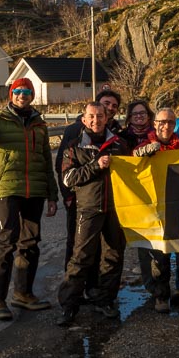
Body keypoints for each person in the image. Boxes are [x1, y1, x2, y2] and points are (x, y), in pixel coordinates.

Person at [0, 78, 59, 321]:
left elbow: (46, 161)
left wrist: (52, 195)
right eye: (17, 91)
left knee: (30, 242)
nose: (22, 95)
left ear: (32, 95)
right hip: (7, 188)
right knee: (7, 241)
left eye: (27, 92)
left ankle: (23, 294)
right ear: (11, 94)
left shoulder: (39, 123)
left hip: (35, 190)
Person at [56, 101, 132, 326]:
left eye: (100, 116)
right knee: (81, 257)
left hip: (116, 209)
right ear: (84, 119)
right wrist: (95, 166)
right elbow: (68, 179)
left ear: (107, 118)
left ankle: (105, 300)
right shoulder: (74, 145)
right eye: (92, 116)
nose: (96, 120)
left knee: (113, 256)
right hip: (88, 209)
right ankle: (70, 305)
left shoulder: (119, 144)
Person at [133, 108, 179, 314]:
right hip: (156, 209)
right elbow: (131, 165)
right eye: (162, 122)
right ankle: (161, 296)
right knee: (158, 255)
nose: (166, 126)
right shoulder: (145, 145)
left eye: (171, 122)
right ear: (155, 124)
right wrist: (140, 155)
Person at [56, 89, 124, 272]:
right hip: (82, 202)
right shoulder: (73, 133)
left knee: (108, 252)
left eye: (113, 106)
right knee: (80, 251)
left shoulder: (117, 135)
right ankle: (74, 293)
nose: (110, 108)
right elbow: (63, 169)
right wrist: (68, 197)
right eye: (106, 103)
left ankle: (98, 291)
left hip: (110, 205)